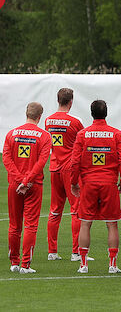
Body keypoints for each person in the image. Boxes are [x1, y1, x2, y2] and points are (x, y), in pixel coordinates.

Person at [70, 100, 121, 274]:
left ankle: (83, 265)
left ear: (91, 113)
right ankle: (112, 265)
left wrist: (74, 182)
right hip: (109, 183)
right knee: (112, 224)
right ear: (106, 113)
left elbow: (75, 161)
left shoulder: (83, 134)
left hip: (89, 183)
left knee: (85, 223)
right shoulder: (116, 134)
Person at [3, 102, 51, 273]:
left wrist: (19, 180)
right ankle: (25, 264)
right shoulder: (44, 136)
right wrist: (27, 180)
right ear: (40, 116)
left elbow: (7, 159)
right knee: (30, 225)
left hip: (15, 185)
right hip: (33, 185)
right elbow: (41, 163)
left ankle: (14, 263)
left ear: (26, 113)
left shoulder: (11, 134)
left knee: (14, 225)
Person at [45, 88, 87, 262]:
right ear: (71, 101)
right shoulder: (75, 121)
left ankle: (52, 252)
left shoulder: (48, 120)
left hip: (54, 166)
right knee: (76, 210)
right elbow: (84, 141)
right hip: (70, 169)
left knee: (55, 210)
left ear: (57, 99)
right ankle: (76, 252)